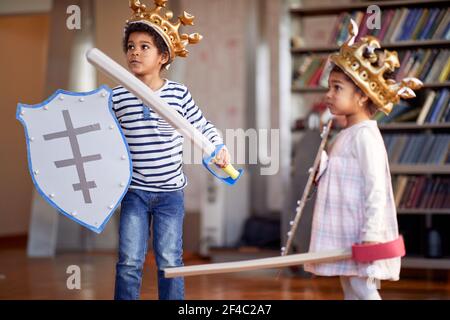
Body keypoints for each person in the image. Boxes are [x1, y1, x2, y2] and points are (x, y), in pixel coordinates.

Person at [112, 0, 230, 300]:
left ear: (163, 56)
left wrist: (218, 146)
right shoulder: (117, 96)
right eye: (130, 46)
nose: (134, 52)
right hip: (134, 192)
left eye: (144, 46)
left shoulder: (178, 94)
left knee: (170, 262)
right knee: (129, 262)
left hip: (169, 194)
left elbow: (202, 125)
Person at [304, 20, 422, 300]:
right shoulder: (346, 134)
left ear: (361, 96)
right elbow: (341, 178)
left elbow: (376, 187)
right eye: (330, 87)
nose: (328, 95)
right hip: (345, 233)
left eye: (337, 88)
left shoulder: (365, 136)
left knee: (362, 288)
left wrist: (371, 233)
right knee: (352, 287)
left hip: (361, 232)